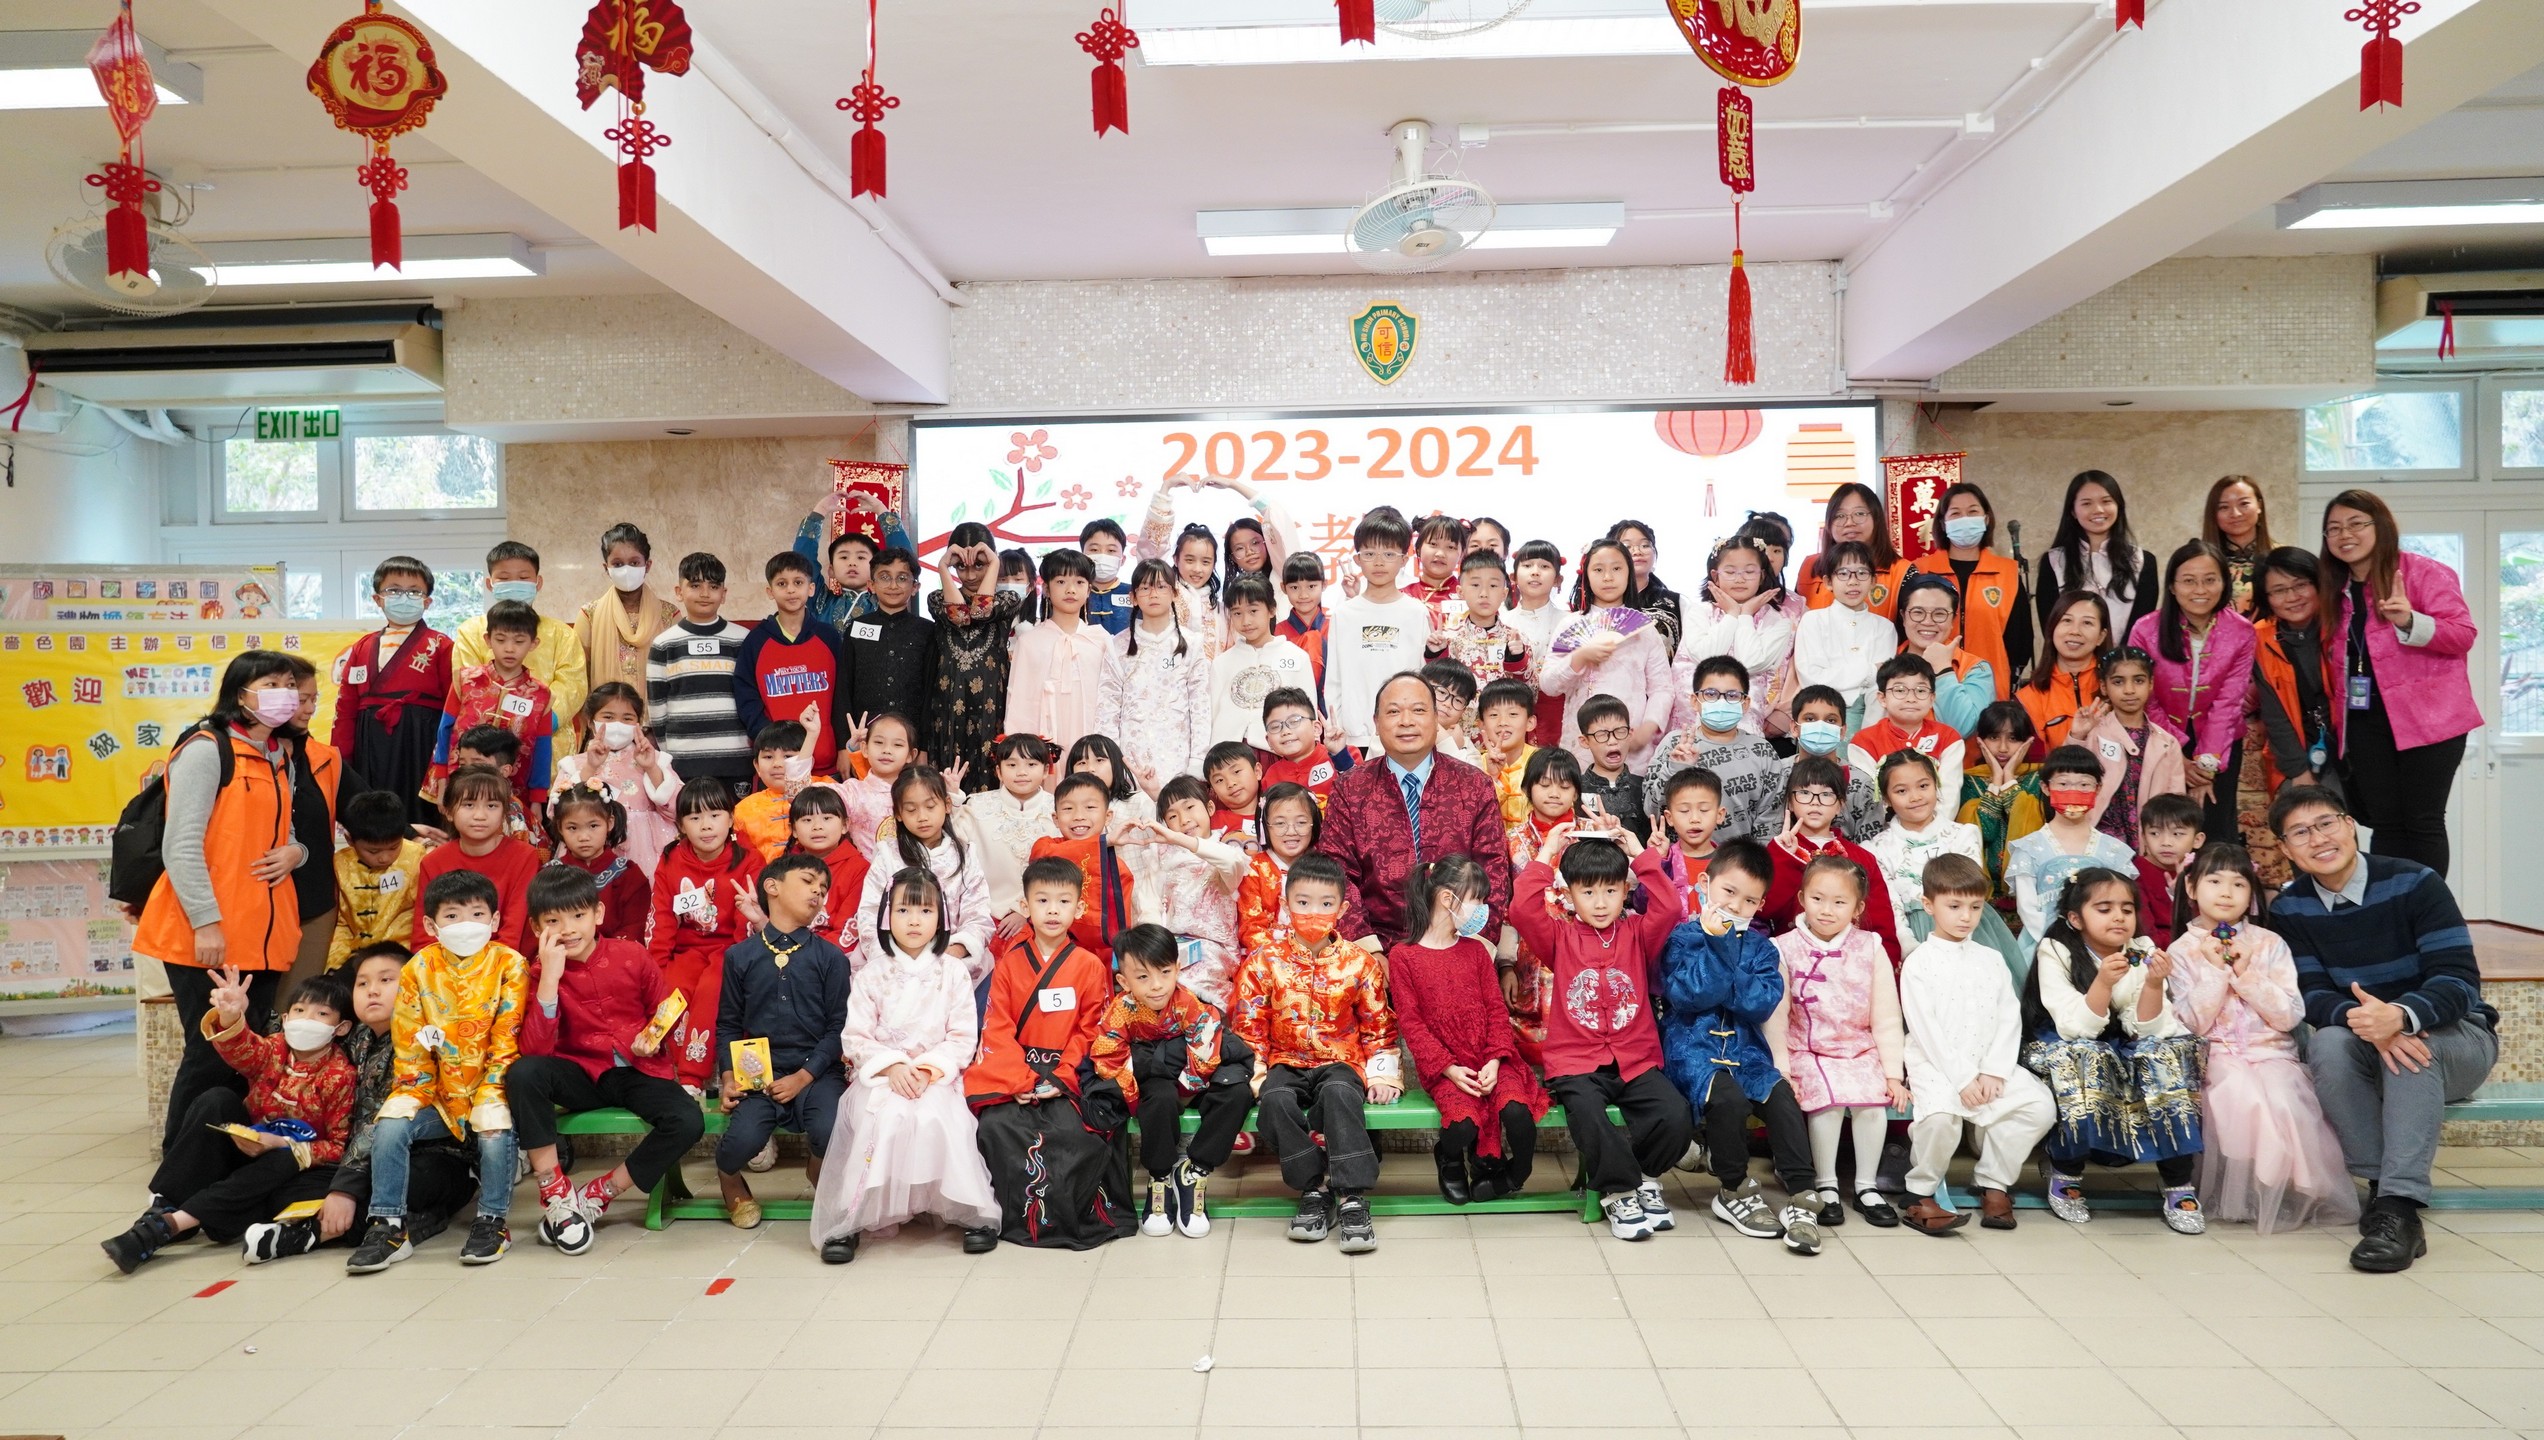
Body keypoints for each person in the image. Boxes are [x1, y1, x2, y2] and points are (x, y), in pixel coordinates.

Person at [2267, 785, 2495, 1271]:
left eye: (2326, 823)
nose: (2318, 839)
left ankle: (2400, 1208)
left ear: (2350, 825)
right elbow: (2309, 994)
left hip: (2457, 1035)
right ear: (2285, 849)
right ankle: (2382, 1188)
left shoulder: (2415, 882)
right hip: (2364, 1035)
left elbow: (2459, 979)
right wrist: (2373, 1025)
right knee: (2327, 1045)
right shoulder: (2289, 909)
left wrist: (2402, 1016)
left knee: (2412, 1053)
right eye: (2300, 833)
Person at [506, 866, 703, 1256]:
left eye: (578, 915)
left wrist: (651, 1040)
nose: (568, 929)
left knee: (688, 1120)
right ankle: (555, 1192)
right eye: (553, 921)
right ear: (536, 927)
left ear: (598, 914)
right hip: (580, 1072)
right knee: (524, 1073)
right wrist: (550, 979)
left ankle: (600, 1192)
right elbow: (535, 1049)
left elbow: (665, 1012)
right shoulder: (538, 971)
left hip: (637, 1070)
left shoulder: (632, 955)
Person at [104, 968, 356, 1273]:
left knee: (283, 1161)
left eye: (321, 1014)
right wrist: (231, 1016)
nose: (306, 1020)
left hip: (290, 1167)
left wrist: (281, 1143)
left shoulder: (340, 1075)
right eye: (299, 1011)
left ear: (341, 1027)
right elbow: (242, 1050)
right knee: (217, 1099)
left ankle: (168, 1225)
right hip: (248, 1148)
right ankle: (164, 1206)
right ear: (286, 1018)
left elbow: (339, 1146)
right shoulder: (275, 1048)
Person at [240, 943, 477, 1265]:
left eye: (385, 980)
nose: (372, 991)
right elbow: (290, 1031)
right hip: (362, 1160)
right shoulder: (356, 1036)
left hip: (431, 1157)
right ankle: (406, 1222)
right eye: (363, 983)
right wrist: (237, 1013)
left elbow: (378, 1121)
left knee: (406, 1182)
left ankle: (310, 1234)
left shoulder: (425, 1040)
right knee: (288, 1190)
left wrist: (345, 1191)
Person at [1511, 822, 1691, 1242]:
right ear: (1569, 894)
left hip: (1635, 1060)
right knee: (1589, 1115)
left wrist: (1639, 854)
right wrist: (1547, 853)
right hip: (1576, 1065)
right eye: (1588, 892)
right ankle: (1619, 1192)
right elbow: (1521, 910)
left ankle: (1644, 1178)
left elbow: (1668, 907)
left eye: (1611, 890)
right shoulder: (1559, 936)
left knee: (1675, 1115)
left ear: (1625, 891)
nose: (1600, 902)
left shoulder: (1637, 933)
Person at [2165, 842, 2357, 1234]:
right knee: (2238, 1094)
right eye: (2214, 881)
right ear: (2191, 887)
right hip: (2215, 1056)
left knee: (2286, 1098)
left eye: (2239, 884)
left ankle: (2288, 1191)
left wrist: (2246, 973)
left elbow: (2289, 1015)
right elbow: (2191, 1022)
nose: (2226, 892)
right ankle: (2243, 1192)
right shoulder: (2181, 951)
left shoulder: (2270, 944)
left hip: (2272, 1053)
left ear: (2251, 894)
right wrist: (2217, 972)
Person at [811, 865, 1000, 1263]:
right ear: (886, 916)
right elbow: (855, 1037)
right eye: (903, 911)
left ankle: (971, 1213)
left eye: (925, 911)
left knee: (940, 1117)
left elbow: (963, 1036)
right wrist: (893, 1067)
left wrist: (929, 1069)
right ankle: (852, 1219)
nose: (914, 921)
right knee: (886, 1118)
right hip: (882, 1077)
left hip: (935, 1077)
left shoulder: (953, 972)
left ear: (941, 918)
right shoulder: (871, 974)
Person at [345, 870, 528, 1273]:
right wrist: (414, 1093)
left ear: (495, 920)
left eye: (477, 914)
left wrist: (489, 1093)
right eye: (452, 916)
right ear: (431, 925)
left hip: (490, 1085)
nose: (466, 924)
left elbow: (508, 1040)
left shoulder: (510, 965)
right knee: (391, 1122)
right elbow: (411, 1046)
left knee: (494, 1124)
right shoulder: (417, 969)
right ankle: (388, 1226)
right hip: (437, 1094)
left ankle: (492, 1221)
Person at [2018, 867, 2206, 1232]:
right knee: (2087, 1056)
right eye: (2104, 909)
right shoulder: (2055, 950)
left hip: (2122, 1041)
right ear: (2076, 918)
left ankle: (2177, 1180)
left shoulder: (2142, 949)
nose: (2119, 917)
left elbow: (2149, 1028)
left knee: (2165, 1054)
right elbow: (2074, 1028)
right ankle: (2066, 1168)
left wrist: (2154, 984)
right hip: (2063, 1042)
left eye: (2126, 908)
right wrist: (2103, 982)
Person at [1659, 840, 1823, 1255]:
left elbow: (1761, 1003)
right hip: (1691, 1049)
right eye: (1728, 892)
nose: (1736, 906)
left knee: (1780, 1095)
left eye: (1749, 900)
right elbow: (1689, 996)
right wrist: (1720, 947)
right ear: (1705, 884)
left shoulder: (1763, 948)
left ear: (1761, 904)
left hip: (1747, 1052)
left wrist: (1725, 968)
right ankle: (1733, 1188)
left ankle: (1802, 1194)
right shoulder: (1681, 938)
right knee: (1727, 1098)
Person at [1231, 853, 1399, 1255]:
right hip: (1285, 1060)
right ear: (1286, 904)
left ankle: (1352, 1197)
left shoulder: (1359, 963)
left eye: (1326, 904)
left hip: (1340, 1060)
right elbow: (1249, 1025)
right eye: (1302, 902)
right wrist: (1255, 1075)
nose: (1313, 912)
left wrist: (1382, 1073)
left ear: (1342, 909)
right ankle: (1314, 1188)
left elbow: (1378, 1024)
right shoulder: (1263, 962)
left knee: (1340, 1095)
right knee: (1274, 1101)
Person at [966, 855, 1134, 1252]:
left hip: (1068, 1074)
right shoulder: (1009, 964)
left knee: (1074, 1133)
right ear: (1025, 906)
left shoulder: (1089, 965)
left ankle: (1066, 1219)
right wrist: (1020, 1080)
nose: (1053, 911)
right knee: (996, 1127)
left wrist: (1061, 1076)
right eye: (1042, 901)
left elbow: (1091, 1029)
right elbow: (997, 1026)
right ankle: (1017, 1218)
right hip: (1018, 1072)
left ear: (1079, 907)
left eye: (1063, 902)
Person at [2320, 489, 2480, 878]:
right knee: (2385, 823)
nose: (2345, 535)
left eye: (2356, 524)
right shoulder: (2334, 588)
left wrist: (2410, 621)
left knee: (2423, 820)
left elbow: (2463, 635)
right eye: (2334, 528)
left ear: (2381, 526)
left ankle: (2425, 907)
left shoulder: (2422, 572)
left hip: (2430, 720)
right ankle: (2390, 903)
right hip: (2364, 722)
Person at [1897, 853, 2058, 1235]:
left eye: (1974, 906)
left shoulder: (1991, 958)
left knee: (2038, 1106)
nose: (1965, 917)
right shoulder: (1919, 962)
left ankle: (1994, 1182)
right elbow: (1926, 1030)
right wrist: (1963, 1078)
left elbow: (2008, 1016)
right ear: (1929, 905)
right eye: (1954, 906)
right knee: (1940, 1120)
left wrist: (1994, 1071)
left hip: (1988, 1064)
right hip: (1937, 1066)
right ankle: (1920, 1193)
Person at [1389, 856, 1548, 1205]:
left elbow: (1495, 1010)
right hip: (1447, 1068)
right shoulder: (1403, 957)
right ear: (1448, 898)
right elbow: (1412, 1025)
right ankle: (1449, 1159)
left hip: (1492, 1058)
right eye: (1477, 899)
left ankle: (1515, 1175)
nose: (1482, 909)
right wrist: (1449, 1068)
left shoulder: (1476, 951)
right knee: (1463, 1125)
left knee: (1517, 1113)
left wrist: (1494, 1060)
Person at [1765, 851, 1909, 1231]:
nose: (1827, 910)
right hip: (1807, 1049)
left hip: (1859, 1048)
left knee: (1872, 1104)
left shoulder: (1870, 945)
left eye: (1839, 902)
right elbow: (1776, 1017)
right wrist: (1782, 1070)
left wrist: (1893, 1074)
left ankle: (1866, 1186)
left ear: (1858, 908)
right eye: (1817, 899)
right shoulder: (1783, 947)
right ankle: (1826, 1184)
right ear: (1802, 899)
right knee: (1826, 1105)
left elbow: (1886, 1016)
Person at [1316, 672, 1512, 949]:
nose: (1406, 721)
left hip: (1461, 945)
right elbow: (1337, 873)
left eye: (1418, 710)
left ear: (1436, 718)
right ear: (1376, 722)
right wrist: (1368, 951)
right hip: (1378, 950)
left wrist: (1475, 948)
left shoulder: (1474, 784)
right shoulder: (1350, 788)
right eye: (1393, 711)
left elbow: (1494, 870)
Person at [1091, 922, 1255, 1239]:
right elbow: (1107, 1056)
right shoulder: (1120, 1010)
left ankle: (1194, 1171)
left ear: (1178, 968)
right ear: (1123, 980)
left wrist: (1184, 1086)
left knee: (1236, 1093)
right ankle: (1161, 1176)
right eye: (1143, 977)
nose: (1157, 986)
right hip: (1154, 1081)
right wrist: (1142, 1085)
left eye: (1165, 972)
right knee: (1159, 1097)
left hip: (1193, 1078)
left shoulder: (1189, 1003)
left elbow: (1206, 1050)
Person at [714, 854, 851, 1229]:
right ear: (772, 887)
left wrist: (803, 1077)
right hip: (759, 1073)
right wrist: (729, 1077)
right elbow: (728, 1025)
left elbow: (839, 1028)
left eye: (823, 888)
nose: (817, 892)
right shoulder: (740, 957)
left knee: (831, 1128)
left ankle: (817, 1167)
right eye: (808, 881)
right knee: (740, 1141)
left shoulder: (831, 958)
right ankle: (729, 1176)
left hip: (817, 1071)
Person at [2130, 539, 2256, 841]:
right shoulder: (2145, 629)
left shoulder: (2242, 631)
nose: (2200, 590)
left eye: (2210, 580)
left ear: (2224, 584)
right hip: (2160, 737)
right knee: (2163, 829)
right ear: (2172, 587)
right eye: (2188, 581)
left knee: (2216, 829)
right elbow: (2146, 700)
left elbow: (2229, 703)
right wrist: (2178, 758)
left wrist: (2206, 768)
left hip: (2220, 741)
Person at [649, 777, 765, 1090]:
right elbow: (662, 916)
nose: (706, 826)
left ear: (731, 818)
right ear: (680, 825)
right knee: (671, 987)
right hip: (687, 950)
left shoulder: (750, 860)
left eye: (715, 815)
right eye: (695, 817)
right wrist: (656, 967)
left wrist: (739, 962)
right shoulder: (671, 859)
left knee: (712, 988)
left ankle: (692, 1076)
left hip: (731, 950)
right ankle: (667, 1071)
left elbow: (748, 921)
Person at [1868, 750, 2026, 976]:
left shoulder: (1962, 835)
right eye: (1902, 791)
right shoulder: (1878, 848)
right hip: (1914, 935)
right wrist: (1907, 945)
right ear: (1886, 798)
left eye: (1923, 786)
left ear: (1937, 785)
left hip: (1967, 928)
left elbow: (1971, 890)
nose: (1915, 797)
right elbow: (1891, 903)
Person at [330, 555, 452, 826]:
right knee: (373, 814)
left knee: (418, 814)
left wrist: (445, 761)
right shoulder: (361, 647)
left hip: (420, 740)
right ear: (378, 599)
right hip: (369, 742)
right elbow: (346, 708)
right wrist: (341, 759)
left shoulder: (441, 644)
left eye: (414, 591)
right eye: (394, 590)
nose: (404, 597)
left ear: (427, 601)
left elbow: (452, 708)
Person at [1547, 538, 1682, 767]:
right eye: (1598, 570)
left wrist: (1647, 729)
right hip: (1581, 746)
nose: (1608, 577)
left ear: (1629, 573)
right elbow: (1549, 685)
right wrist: (1580, 657)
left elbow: (1662, 688)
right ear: (1586, 575)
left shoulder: (1645, 629)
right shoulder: (1570, 624)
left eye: (1617, 569)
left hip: (1631, 744)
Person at [853, 767, 993, 985]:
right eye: (911, 810)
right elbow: (871, 914)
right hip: (897, 960)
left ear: (947, 805)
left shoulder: (965, 855)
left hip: (951, 959)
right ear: (898, 814)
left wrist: (956, 950)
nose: (922, 817)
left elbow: (978, 914)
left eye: (930, 806)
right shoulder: (888, 856)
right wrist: (897, 959)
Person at [1760, 757, 1905, 966]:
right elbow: (1764, 910)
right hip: (1793, 962)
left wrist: (1884, 967)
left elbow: (1882, 924)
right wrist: (1785, 857)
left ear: (1840, 805)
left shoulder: (1861, 857)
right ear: (1790, 802)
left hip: (1852, 964)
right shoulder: (1777, 851)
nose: (1815, 802)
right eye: (1804, 793)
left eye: (1826, 794)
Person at [1117, 777, 1248, 1008]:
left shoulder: (1225, 852)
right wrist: (1154, 945)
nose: (1184, 819)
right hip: (1167, 946)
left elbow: (1232, 863)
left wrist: (1181, 839)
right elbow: (1148, 904)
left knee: (1188, 988)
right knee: (1144, 984)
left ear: (1209, 808)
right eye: (1172, 816)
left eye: (1189, 808)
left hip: (1212, 949)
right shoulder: (1159, 855)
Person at [2005, 746, 2137, 955]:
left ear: (2098, 788)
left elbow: (2123, 904)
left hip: (2103, 950)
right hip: (2045, 948)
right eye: (2063, 784)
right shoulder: (2028, 848)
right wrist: (2057, 947)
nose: (2073, 792)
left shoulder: (2114, 851)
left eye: (2084, 784)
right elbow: (2027, 908)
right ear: (2046, 787)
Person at [451, 540, 588, 741]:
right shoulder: (471, 631)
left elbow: (572, 685)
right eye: (504, 578)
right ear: (489, 584)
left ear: (538, 583)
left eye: (523, 578)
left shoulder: (562, 633)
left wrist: (539, 721)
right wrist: (499, 727)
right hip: (486, 740)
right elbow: (469, 682)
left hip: (547, 738)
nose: (514, 583)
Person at [925, 527, 1028, 788]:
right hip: (948, 700)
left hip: (991, 701)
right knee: (947, 779)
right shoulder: (937, 599)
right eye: (961, 567)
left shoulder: (1008, 599)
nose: (969, 575)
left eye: (979, 566)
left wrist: (995, 562)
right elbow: (960, 615)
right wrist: (942, 567)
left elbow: (981, 612)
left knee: (989, 775)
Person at [1098, 560, 1212, 796]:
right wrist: (1111, 762)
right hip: (1131, 758)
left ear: (1174, 593)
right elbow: (1107, 708)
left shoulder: (1192, 643)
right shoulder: (1118, 645)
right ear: (1133, 597)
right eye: (1145, 588)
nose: (1153, 594)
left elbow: (1201, 706)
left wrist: (1197, 759)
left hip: (1179, 755)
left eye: (1161, 587)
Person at [1324, 508, 1433, 757]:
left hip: (1407, 732)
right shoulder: (1344, 614)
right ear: (1358, 559)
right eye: (1370, 554)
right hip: (1354, 736)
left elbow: (1424, 675)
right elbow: (1334, 679)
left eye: (1389, 554)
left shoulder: (1416, 613)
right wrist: (1337, 726)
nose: (1379, 562)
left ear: (1404, 560)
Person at [1643, 657, 1787, 843]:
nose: (1721, 702)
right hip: (1679, 858)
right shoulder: (1674, 744)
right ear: (1695, 701)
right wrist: (1674, 769)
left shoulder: (1762, 751)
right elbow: (1651, 811)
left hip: (1741, 859)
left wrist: (1755, 860)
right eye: (1711, 694)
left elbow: (1769, 822)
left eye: (1732, 695)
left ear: (1745, 704)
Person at [1910, 481, 2031, 701]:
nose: (1965, 519)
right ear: (1943, 524)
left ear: (1986, 519)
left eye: (1973, 512)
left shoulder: (2007, 572)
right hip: (1930, 688)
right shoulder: (1921, 570)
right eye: (1955, 513)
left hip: (1991, 688)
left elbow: (2020, 640)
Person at [428, 599, 556, 807]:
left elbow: (542, 751)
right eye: (501, 639)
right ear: (488, 640)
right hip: (460, 785)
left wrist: (537, 801)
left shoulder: (541, 696)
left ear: (533, 644)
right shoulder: (465, 681)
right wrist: (442, 783)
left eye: (519, 641)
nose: (509, 649)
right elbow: (445, 732)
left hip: (513, 792)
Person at [646, 552, 755, 789]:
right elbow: (657, 707)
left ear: (723, 594)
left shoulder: (744, 640)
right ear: (679, 591)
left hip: (736, 760)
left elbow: (753, 699)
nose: (705, 593)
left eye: (713, 586)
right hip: (684, 763)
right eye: (695, 585)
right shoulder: (664, 644)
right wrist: (670, 752)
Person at [551, 683, 680, 879]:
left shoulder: (656, 760)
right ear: (591, 721)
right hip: (590, 850)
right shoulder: (574, 764)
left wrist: (651, 767)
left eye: (627, 718)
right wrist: (589, 768)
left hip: (647, 849)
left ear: (638, 723)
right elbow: (556, 812)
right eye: (608, 717)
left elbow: (679, 808)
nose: (618, 724)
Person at [734, 552, 845, 778]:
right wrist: (769, 740)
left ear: (811, 588)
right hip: (778, 768)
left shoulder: (829, 637)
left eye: (798, 582)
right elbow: (746, 698)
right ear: (770, 591)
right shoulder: (756, 641)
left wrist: (844, 746)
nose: (791, 590)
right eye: (782, 584)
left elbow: (843, 697)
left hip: (827, 764)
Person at [417, 766, 544, 954]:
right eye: (469, 805)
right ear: (449, 811)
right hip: (444, 962)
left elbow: (512, 933)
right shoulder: (432, 862)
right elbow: (423, 936)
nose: (480, 816)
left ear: (504, 813)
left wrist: (482, 968)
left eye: (491, 806)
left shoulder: (525, 856)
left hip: (505, 960)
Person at [1677, 534, 1795, 735]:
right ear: (1715, 576)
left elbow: (1749, 663)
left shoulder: (1778, 622)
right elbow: (1706, 658)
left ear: (1762, 575)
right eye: (1730, 572)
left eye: (1749, 572)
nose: (1740, 579)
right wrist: (1732, 614)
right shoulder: (1699, 612)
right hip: (1692, 718)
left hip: (1745, 722)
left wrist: (1745, 615)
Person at [2252, 546, 2342, 802]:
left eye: (2300, 585)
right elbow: (2274, 715)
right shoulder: (2260, 638)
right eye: (2279, 590)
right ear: (2267, 597)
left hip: (2348, 749)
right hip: (2297, 755)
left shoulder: (2340, 626)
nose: (2292, 597)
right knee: (2305, 816)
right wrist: (2298, 771)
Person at [1006, 548, 1111, 767]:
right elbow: (1019, 704)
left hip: (1092, 742)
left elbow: (1111, 701)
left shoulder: (1101, 640)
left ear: (1089, 590)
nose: (1071, 589)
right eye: (1061, 582)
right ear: (1046, 589)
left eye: (1079, 582)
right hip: (1043, 743)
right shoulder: (1030, 641)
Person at [574, 523, 681, 736]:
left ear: (647, 565)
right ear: (606, 568)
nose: (626, 570)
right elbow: (578, 676)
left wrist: (658, 730)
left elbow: (678, 677)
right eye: (617, 564)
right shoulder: (589, 615)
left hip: (657, 730)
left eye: (634, 563)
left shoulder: (669, 615)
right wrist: (593, 725)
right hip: (604, 730)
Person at [2077, 645, 2183, 854]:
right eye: (2118, 682)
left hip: (2149, 842)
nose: (2129, 690)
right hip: (2098, 838)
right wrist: (2077, 737)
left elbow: (2176, 803)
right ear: (2104, 687)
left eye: (2138, 680)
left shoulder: (2167, 743)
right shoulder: (2093, 734)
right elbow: (2069, 775)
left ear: (2151, 684)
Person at [951, 733, 1057, 939]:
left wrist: (1025, 909)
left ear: (1046, 770)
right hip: (983, 913)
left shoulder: (1059, 808)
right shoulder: (977, 805)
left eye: (1031, 764)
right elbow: (953, 843)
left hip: (1045, 915)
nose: (1022, 772)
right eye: (1012, 765)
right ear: (999, 771)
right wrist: (953, 800)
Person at [2036, 470, 2159, 641]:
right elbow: (2050, 627)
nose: (2098, 510)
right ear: (2073, 511)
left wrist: (2118, 657)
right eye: (2087, 503)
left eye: (2106, 501)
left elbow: (2141, 627)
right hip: (2070, 657)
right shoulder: (2053, 561)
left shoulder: (2142, 561)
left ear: (2118, 506)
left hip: (2126, 657)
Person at [1960, 701, 2048, 937]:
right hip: (1981, 897)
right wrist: (1995, 782)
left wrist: (2008, 777)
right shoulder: (1968, 781)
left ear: (2027, 741)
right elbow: (1984, 833)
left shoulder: (2041, 780)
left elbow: (2031, 835)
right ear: (1980, 740)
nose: (2002, 747)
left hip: (2031, 894)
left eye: (2013, 738)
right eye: (1993, 737)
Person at [1031, 772, 1139, 957]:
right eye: (1068, 808)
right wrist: (1104, 842)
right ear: (1055, 818)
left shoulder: (1118, 869)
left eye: (1090, 807)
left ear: (1108, 816)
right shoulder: (1046, 846)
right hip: (1045, 945)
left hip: (1097, 954)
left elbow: (1118, 926)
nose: (1079, 816)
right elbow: (1044, 858)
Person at [1791, 541, 1893, 728]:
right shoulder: (1813, 620)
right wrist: (1869, 671)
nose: (1853, 581)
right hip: (1820, 718)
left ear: (1873, 580)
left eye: (1862, 573)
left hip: (1871, 719)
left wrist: (1869, 737)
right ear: (1828, 582)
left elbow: (1880, 684)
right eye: (1843, 573)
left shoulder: (1885, 628)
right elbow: (1812, 677)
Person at [1212, 574, 1317, 749]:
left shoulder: (1297, 657)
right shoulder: (1221, 663)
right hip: (1228, 755)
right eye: (1237, 613)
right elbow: (1212, 715)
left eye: (1253, 611)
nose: (1246, 621)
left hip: (1278, 751)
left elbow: (1308, 714)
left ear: (1272, 609)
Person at [839, 546, 935, 738]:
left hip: (911, 737)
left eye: (902, 578)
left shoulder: (927, 631)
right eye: (884, 577)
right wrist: (844, 743)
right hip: (863, 736)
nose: (893, 585)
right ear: (871, 585)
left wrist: (924, 745)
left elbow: (930, 691)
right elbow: (843, 687)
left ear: (915, 587)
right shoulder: (856, 627)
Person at [1847, 655, 1964, 804]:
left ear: (1932, 698)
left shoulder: (1948, 737)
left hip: (1936, 817)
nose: (1911, 698)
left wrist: (1931, 819)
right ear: (1882, 698)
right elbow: (1870, 798)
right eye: (1900, 690)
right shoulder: (1863, 741)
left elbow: (1949, 795)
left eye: (1920, 690)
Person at [327, 791, 423, 971]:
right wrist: (334, 964)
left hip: (405, 956)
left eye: (394, 847)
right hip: (355, 956)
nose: (384, 858)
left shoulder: (418, 859)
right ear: (349, 839)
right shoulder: (340, 864)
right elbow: (341, 923)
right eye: (373, 851)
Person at [545, 785, 652, 943]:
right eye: (572, 828)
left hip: (615, 954)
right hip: (563, 952)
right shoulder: (549, 876)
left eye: (593, 826)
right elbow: (543, 925)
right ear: (560, 827)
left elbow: (634, 928)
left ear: (610, 823)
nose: (583, 837)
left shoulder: (629, 874)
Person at [1894, 573, 1995, 737]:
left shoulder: (1975, 668)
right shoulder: (1885, 661)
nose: (1928, 622)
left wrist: (1943, 670)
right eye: (1918, 612)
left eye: (1939, 614)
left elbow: (1962, 728)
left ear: (1953, 620)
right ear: (1903, 616)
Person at [1429, 550, 1536, 702]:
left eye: (1493, 585)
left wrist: (1518, 660)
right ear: (1460, 592)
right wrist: (1436, 655)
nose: (1484, 593)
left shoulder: (1516, 640)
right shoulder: (1448, 639)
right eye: (1475, 585)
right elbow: (1433, 695)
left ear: (1504, 594)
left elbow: (1532, 694)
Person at [2019, 591, 2113, 754]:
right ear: (2052, 628)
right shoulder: (2028, 699)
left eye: (2087, 623)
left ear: (2101, 636)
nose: (2075, 631)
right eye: (2067, 620)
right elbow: (2034, 764)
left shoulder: (2117, 688)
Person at [1797, 483, 1910, 617]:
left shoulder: (1902, 571)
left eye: (1859, 513)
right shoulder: (1810, 566)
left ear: (1876, 518)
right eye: (1840, 516)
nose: (1849, 522)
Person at [1238, 782, 1322, 956]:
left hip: (1318, 950)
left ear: (1314, 823)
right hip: (1270, 955)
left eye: (1301, 822)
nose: (1291, 831)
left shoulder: (1323, 866)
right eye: (1280, 823)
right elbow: (1251, 927)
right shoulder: (1253, 869)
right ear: (1264, 826)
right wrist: (1283, 955)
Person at [787, 785, 873, 950]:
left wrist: (806, 956)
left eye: (827, 818)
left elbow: (847, 931)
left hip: (831, 954)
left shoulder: (859, 869)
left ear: (845, 825)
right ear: (793, 830)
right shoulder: (784, 868)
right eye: (807, 820)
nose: (817, 826)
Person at [734, 721, 819, 862]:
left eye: (788, 756)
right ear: (757, 766)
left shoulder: (826, 790)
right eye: (768, 757)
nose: (777, 764)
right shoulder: (743, 809)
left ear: (808, 762)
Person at [2131, 791, 2206, 949]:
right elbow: (2145, 936)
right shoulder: (2134, 873)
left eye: (2177, 834)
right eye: (2155, 833)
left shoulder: (2203, 873)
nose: (2166, 842)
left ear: (2197, 840)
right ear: (2143, 838)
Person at [1574, 695, 1651, 845]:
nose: (1613, 741)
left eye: (1620, 731)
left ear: (1630, 734)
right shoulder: (1575, 789)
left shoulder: (1644, 787)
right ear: (1585, 741)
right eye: (1602, 735)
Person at [1654, 766, 1726, 912]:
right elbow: (1642, 903)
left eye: (1704, 810)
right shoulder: (1666, 861)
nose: (1694, 819)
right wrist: (1658, 862)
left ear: (1719, 815)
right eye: (1684, 811)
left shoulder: (1730, 863)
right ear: (1669, 817)